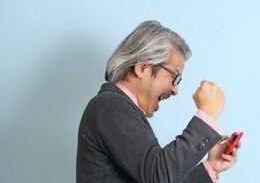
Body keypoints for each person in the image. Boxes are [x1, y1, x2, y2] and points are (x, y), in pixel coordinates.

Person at [76, 20, 241, 183]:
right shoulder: (111, 106)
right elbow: (158, 176)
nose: (175, 90)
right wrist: (206, 118)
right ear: (143, 68)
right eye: (175, 77)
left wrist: (212, 167)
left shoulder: (116, 108)